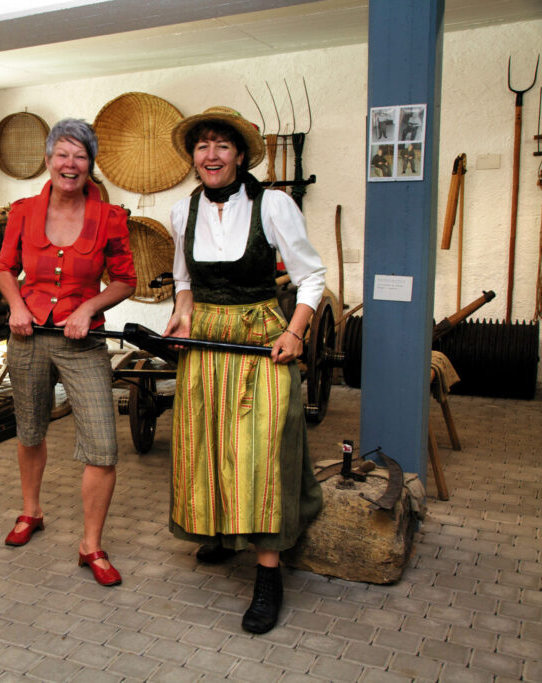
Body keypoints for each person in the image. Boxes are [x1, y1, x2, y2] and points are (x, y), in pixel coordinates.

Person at [163, 106, 325, 633]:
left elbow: (311, 276)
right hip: (208, 338)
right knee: (207, 440)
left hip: (260, 337)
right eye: (202, 146)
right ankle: (221, 531)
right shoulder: (182, 211)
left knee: (261, 452)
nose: (211, 155)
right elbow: (183, 280)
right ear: (193, 157)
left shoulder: (273, 204)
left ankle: (268, 574)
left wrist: (294, 332)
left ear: (238, 155)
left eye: (222, 145)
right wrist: (181, 315)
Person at [0, 118, 136, 586]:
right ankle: (31, 511)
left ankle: (90, 544)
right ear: (49, 160)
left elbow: (125, 279)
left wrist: (89, 308)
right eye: (62, 154)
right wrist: (16, 306)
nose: (70, 164)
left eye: (80, 156)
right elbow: (4, 268)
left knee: (103, 446)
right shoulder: (22, 211)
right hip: (28, 339)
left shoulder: (110, 217)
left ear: (90, 164)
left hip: (83, 343)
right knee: (30, 429)